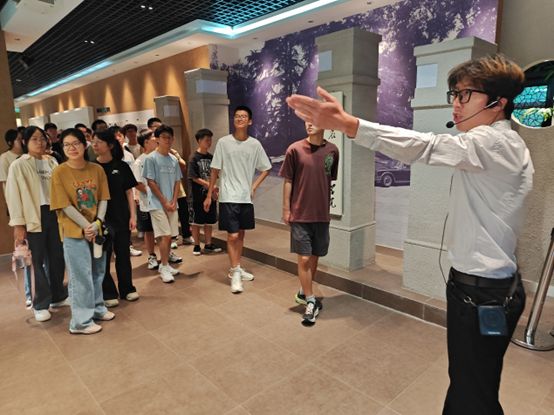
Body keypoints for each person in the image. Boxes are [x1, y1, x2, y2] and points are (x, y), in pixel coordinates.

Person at [287, 54, 532, 415]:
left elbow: (426, 146)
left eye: (465, 95)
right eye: (454, 94)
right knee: (472, 386)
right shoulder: (499, 144)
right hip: (486, 288)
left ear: (498, 102)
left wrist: (350, 124)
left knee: (472, 394)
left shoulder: (494, 143)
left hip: (483, 294)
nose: (455, 104)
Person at [50, 128, 114, 334]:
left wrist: (97, 223)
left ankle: (97, 308)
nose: (72, 148)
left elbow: (103, 198)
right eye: (66, 145)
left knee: (98, 271)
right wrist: (87, 226)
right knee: (80, 276)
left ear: (84, 145)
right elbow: (64, 205)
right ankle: (80, 322)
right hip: (73, 231)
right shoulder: (59, 172)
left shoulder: (96, 169)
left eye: (75, 143)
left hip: (96, 228)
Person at [204, 106, 272, 293]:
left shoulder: (254, 144)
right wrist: (209, 194)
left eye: (243, 116)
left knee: (241, 235)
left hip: (245, 198)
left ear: (250, 121)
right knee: (232, 235)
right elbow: (215, 169)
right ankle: (234, 272)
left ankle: (237, 266)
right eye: (237, 116)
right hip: (228, 196)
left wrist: (254, 186)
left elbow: (266, 168)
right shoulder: (224, 143)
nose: (239, 118)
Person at [6, 126, 68, 322]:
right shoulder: (18, 165)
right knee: (36, 261)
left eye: (42, 138)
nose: (40, 142)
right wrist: (18, 225)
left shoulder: (52, 161)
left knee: (57, 257)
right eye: (34, 139)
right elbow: (13, 196)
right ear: (25, 142)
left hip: (54, 213)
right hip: (32, 216)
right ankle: (40, 303)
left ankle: (58, 295)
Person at [280, 122, 339, 325]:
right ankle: (311, 301)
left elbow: (329, 180)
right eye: (306, 119)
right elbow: (288, 180)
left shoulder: (333, 151)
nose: (309, 123)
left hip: (321, 215)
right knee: (304, 259)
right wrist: (286, 209)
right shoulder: (294, 149)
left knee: (314, 256)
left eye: (314, 119)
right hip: (300, 214)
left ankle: (304, 292)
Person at [92, 130, 139, 307]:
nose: (95, 145)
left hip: (121, 217)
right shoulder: (92, 168)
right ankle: (108, 292)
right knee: (103, 257)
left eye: (99, 142)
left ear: (110, 145)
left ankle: (127, 289)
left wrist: (133, 216)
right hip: (100, 220)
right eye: (93, 141)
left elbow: (129, 193)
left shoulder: (122, 166)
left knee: (123, 255)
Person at [143, 124, 183, 283]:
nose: (167, 140)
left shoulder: (173, 160)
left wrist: (173, 201)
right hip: (157, 204)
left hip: (172, 204)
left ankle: (165, 265)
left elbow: (177, 182)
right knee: (164, 235)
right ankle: (164, 266)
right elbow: (151, 182)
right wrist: (164, 202)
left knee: (170, 236)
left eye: (170, 137)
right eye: (164, 137)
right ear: (157, 139)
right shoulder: (151, 158)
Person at [1, 128, 32, 306]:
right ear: (11, 142)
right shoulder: (6, 159)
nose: (23, 142)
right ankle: (29, 293)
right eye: (20, 139)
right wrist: (14, 213)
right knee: (24, 249)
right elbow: (7, 186)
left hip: (34, 210)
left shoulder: (31, 158)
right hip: (18, 209)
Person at [188, 128, 222, 256]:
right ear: (199, 141)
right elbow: (194, 177)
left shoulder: (211, 157)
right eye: (207, 140)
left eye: (210, 140)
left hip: (209, 194)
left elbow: (215, 175)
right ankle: (196, 245)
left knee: (209, 221)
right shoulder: (193, 158)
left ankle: (208, 244)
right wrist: (209, 185)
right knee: (196, 222)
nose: (209, 142)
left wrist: (213, 189)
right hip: (196, 196)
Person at [132, 130, 160, 270]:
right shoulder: (139, 162)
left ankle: (167, 253)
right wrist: (153, 193)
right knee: (149, 230)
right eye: (154, 138)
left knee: (163, 229)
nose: (157, 140)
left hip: (162, 201)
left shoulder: (160, 157)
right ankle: (152, 256)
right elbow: (138, 183)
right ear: (146, 142)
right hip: (147, 202)